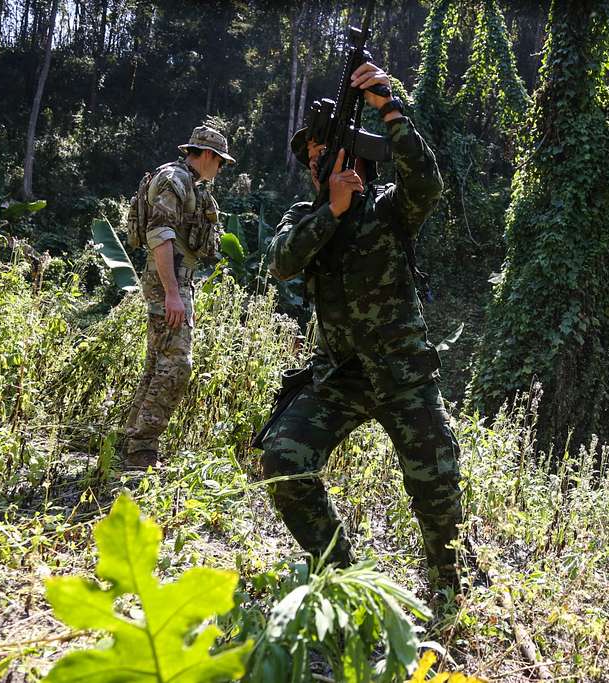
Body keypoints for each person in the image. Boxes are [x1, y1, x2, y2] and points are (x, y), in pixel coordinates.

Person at [260, 61, 464, 590]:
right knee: (284, 460)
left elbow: (428, 181)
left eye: (323, 154)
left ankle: (447, 580)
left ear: (352, 158)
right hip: (340, 378)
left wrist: (387, 106)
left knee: (436, 482)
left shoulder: (390, 210)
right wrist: (331, 210)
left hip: (402, 374)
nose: (314, 164)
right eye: (310, 158)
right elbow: (282, 261)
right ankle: (344, 573)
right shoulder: (304, 216)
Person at [123, 125, 232, 469]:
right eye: (220, 161)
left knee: (158, 364)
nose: (221, 168)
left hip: (178, 282)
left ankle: (131, 439)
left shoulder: (191, 184)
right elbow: (160, 233)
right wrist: (172, 294)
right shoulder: (175, 179)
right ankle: (143, 449)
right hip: (168, 283)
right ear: (208, 155)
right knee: (176, 367)